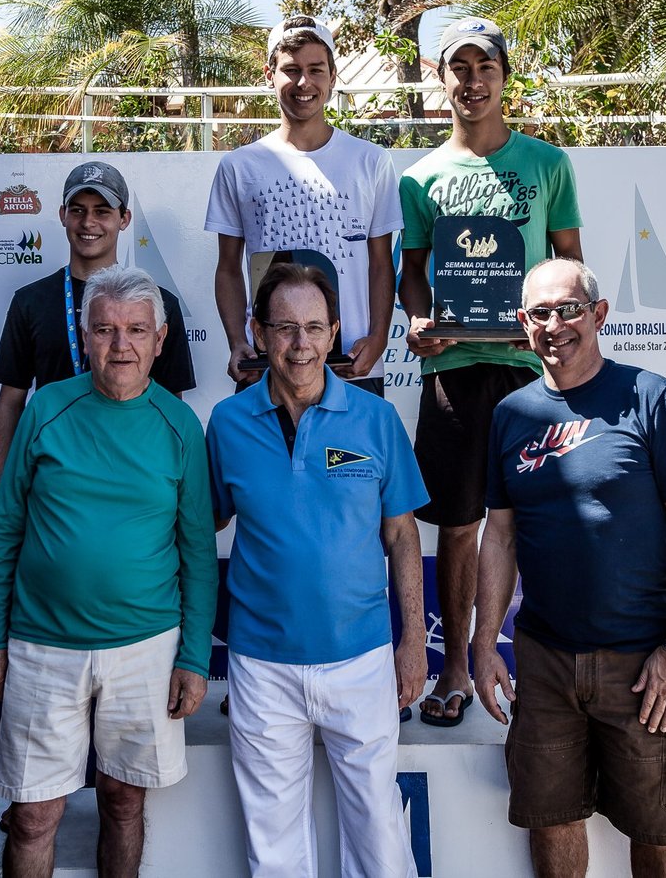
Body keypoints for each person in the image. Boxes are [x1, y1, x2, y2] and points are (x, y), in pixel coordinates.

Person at [474, 258, 666, 878]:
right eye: (540, 313)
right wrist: (484, 642)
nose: (555, 325)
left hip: (642, 666)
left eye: (569, 309)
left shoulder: (651, 397)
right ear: (523, 323)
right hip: (545, 664)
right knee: (551, 822)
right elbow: (499, 535)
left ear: (599, 314)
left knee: (657, 830)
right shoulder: (511, 414)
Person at [0, 264, 216, 878]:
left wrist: (194, 658)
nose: (121, 345)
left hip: (146, 650)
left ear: (160, 340)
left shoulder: (181, 426)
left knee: (123, 801)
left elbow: (197, 554)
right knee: (33, 816)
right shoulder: (46, 409)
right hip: (41, 646)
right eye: (105, 329)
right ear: (85, 337)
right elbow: (4, 531)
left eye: (136, 330)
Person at [206, 263, 427, 878]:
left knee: (380, 838)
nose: (300, 344)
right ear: (258, 332)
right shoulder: (226, 423)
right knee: (275, 849)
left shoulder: (376, 419)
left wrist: (413, 639)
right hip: (261, 665)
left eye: (313, 328)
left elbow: (402, 535)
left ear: (333, 334)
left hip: (362, 658)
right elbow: (203, 529)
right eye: (284, 328)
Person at [397, 16, 584, 727]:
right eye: (460, 68)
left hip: (532, 374)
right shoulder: (420, 178)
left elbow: (570, 262)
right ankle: (455, 665)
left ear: (504, 77)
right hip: (454, 371)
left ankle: (529, 665)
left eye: (486, 68)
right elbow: (412, 273)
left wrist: (555, 323)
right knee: (458, 526)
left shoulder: (547, 164)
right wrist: (419, 320)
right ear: (441, 78)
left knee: (543, 522)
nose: (472, 81)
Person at [0, 161, 194, 552]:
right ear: (62, 215)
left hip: (133, 480)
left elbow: (171, 405)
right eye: (78, 210)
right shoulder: (30, 302)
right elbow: (10, 402)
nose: (88, 222)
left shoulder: (159, 305)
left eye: (102, 211)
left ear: (124, 219)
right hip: (53, 484)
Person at [206, 15, 400, 394]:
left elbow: (381, 264)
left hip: (351, 366)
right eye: (291, 70)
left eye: (315, 70)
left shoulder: (372, 161)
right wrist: (237, 342)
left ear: (333, 76)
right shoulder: (238, 166)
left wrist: (378, 339)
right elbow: (228, 268)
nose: (303, 83)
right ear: (269, 75)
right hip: (268, 368)